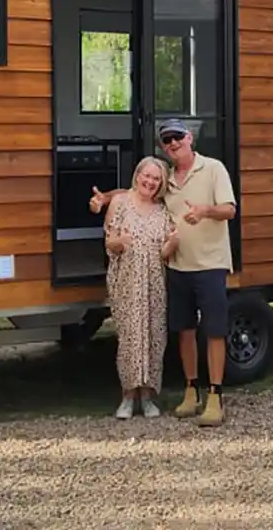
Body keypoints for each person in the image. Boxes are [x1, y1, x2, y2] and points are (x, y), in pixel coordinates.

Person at [90, 119, 237, 427]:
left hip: (210, 264)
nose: (172, 143)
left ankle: (215, 396)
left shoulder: (213, 169)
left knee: (214, 330)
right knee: (184, 331)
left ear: (189, 138)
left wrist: (204, 211)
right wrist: (105, 198)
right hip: (178, 268)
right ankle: (190, 391)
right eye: (166, 140)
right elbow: (138, 188)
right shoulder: (168, 178)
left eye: (177, 137)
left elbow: (229, 210)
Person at [103, 156, 180, 419]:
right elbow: (109, 244)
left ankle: (148, 396)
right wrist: (120, 242)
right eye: (146, 176)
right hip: (126, 280)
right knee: (129, 338)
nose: (150, 181)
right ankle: (127, 396)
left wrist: (174, 241)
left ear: (160, 184)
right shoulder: (120, 203)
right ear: (137, 175)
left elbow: (166, 253)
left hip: (154, 282)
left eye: (156, 179)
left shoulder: (162, 211)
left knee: (154, 337)